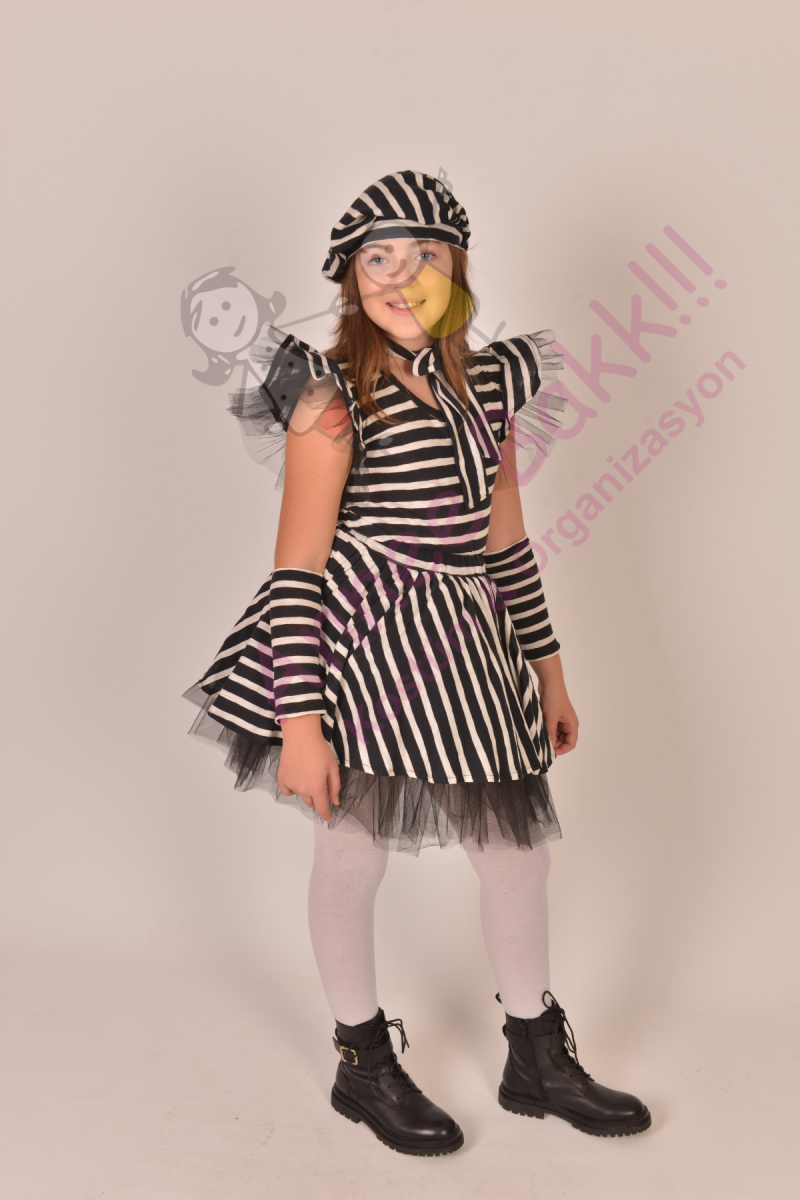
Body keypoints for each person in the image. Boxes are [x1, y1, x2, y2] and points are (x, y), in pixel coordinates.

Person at [184, 170, 651, 1155]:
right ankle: (362, 1062)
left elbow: (504, 541)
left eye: (424, 254)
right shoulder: (327, 399)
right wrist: (300, 724)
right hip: (358, 643)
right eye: (378, 259)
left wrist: (548, 668)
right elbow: (297, 569)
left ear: (458, 269)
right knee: (353, 851)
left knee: (515, 854)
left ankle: (534, 1055)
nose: (400, 277)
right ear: (351, 279)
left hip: (461, 642)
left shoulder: (490, 387)